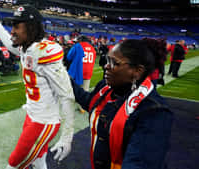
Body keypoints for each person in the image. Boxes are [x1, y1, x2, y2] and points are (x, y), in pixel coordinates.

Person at [0, 5, 75, 169]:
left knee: (14, 164)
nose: (12, 31)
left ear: (30, 28)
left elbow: (67, 95)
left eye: (17, 26)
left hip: (44, 121)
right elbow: (11, 46)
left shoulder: (44, 52)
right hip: (32, 114)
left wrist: (67, 136)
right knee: (39, 162)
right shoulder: (28, 48)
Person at [70, 39, 173, 169]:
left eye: (114, 63)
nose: (106, 66)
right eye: (107, 60)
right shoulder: (106, 88)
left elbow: (139, 163)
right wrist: (63, 78)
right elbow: (90, 102)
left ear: (137, 71)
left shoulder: (154, 112)